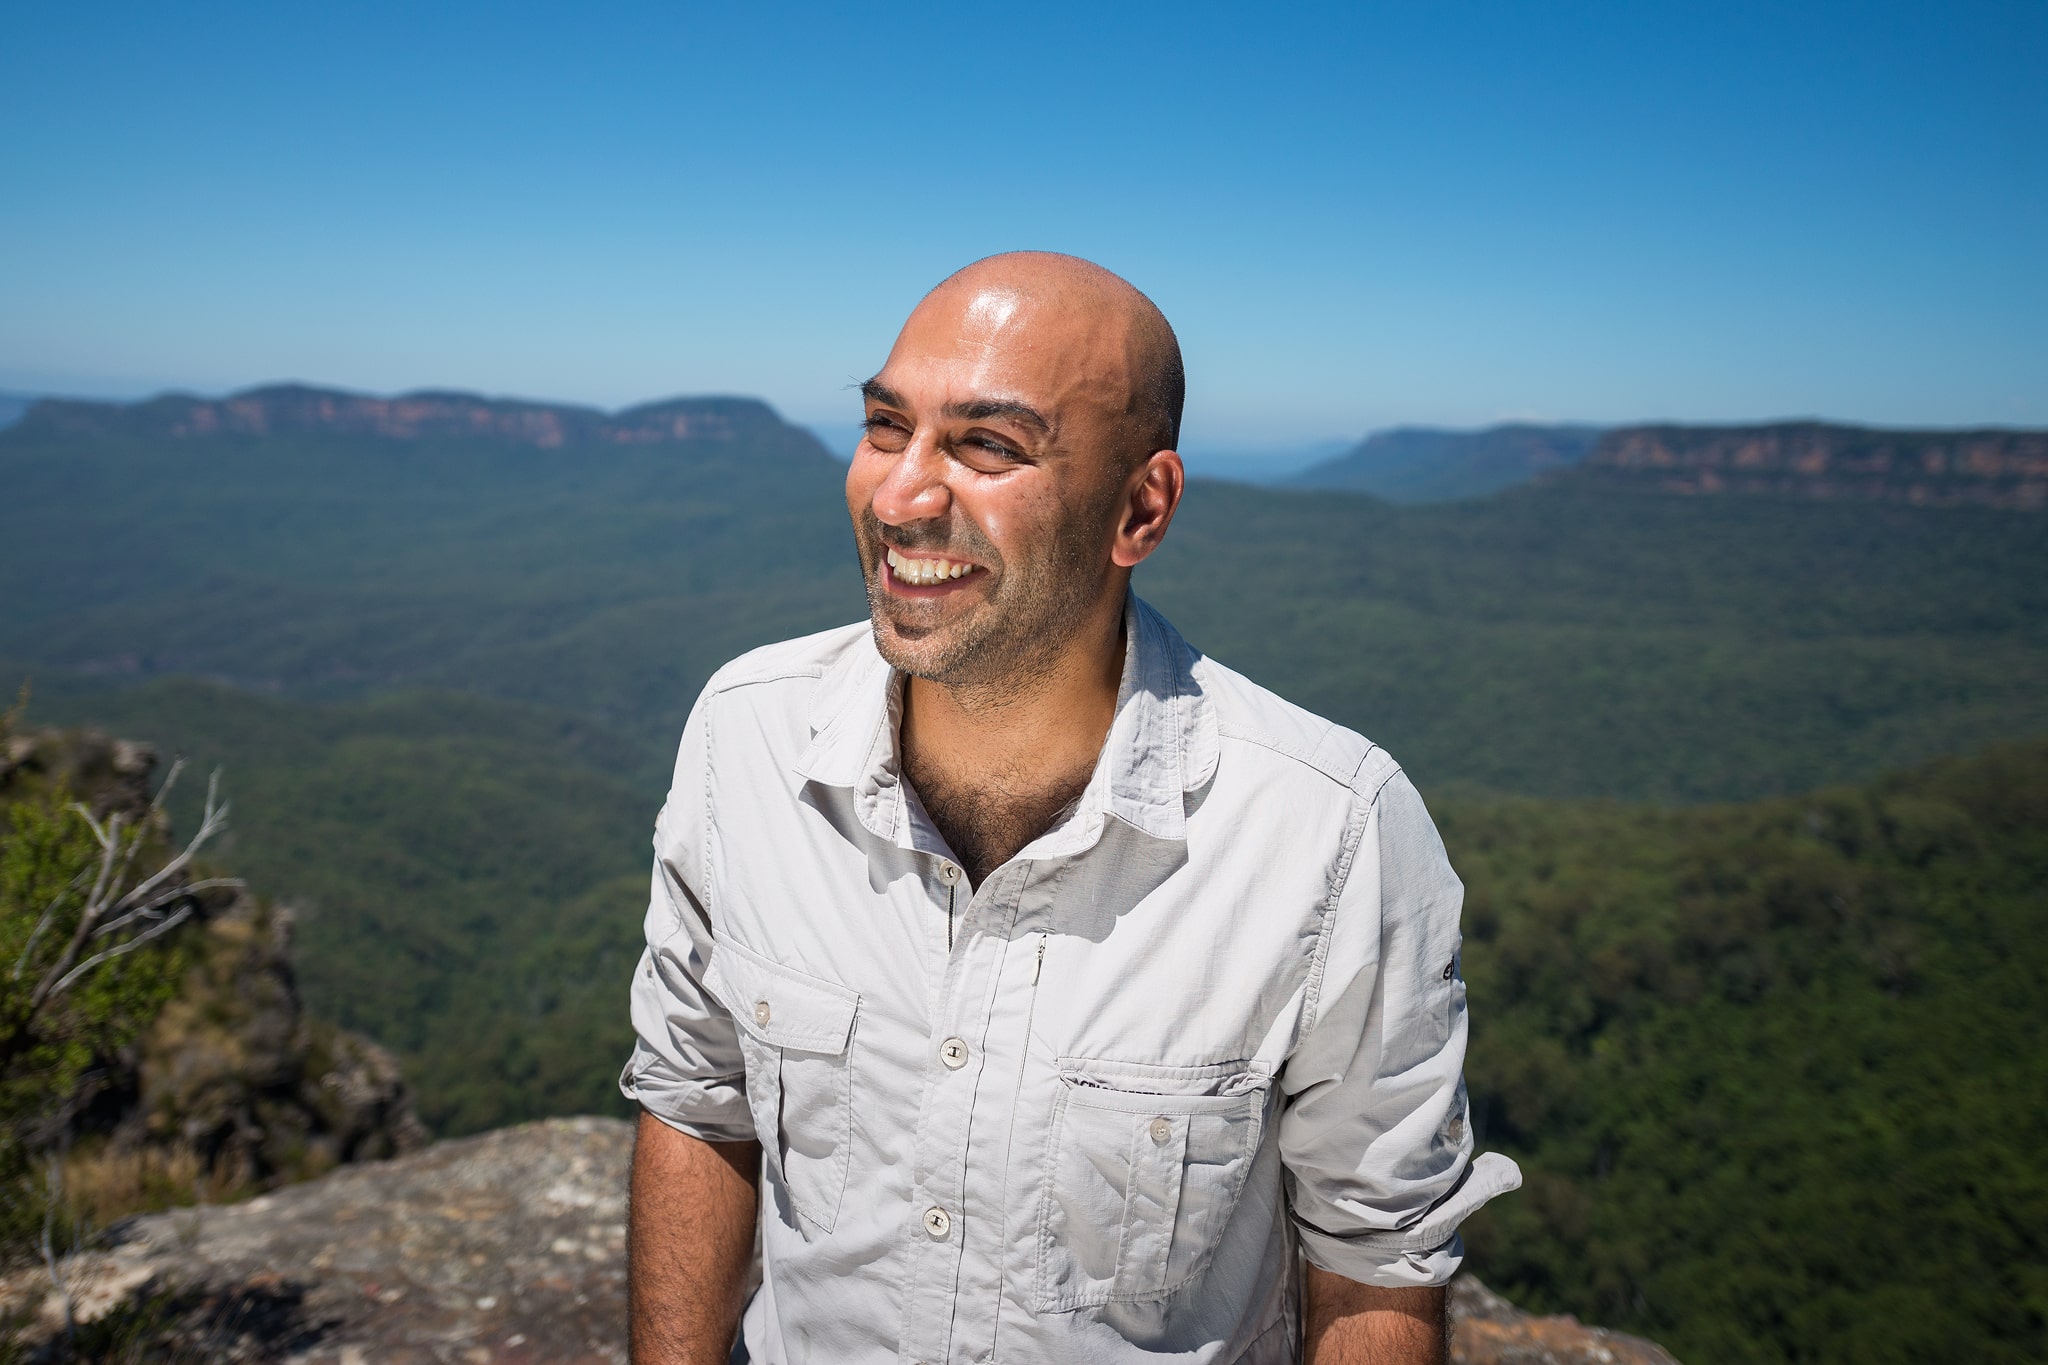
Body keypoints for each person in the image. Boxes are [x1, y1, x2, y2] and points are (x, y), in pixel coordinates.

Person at [621, 252, 1519, 1364]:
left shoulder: (1326, 834)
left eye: (988, 446)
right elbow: (696, 1100)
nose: (899, 497)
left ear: (1140, 508)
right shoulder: (745, 735)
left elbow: (1372, 1264)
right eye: (885, 426)